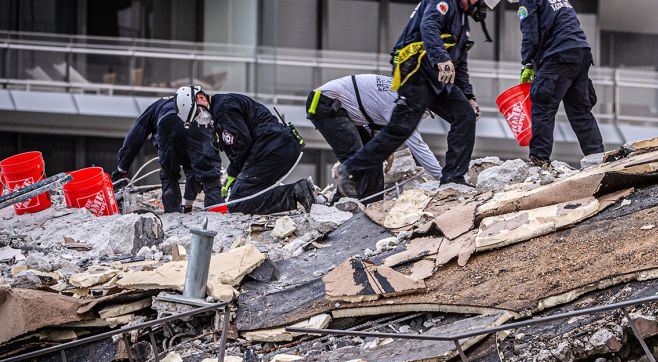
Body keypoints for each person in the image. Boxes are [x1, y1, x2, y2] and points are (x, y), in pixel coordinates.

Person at [334, 0, 501, 197]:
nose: (480, 10)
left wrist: (469, 96)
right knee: (399, 129)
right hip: (416, 74)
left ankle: (453, 177)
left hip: (438, 81)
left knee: (464, 115)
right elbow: (428, 26)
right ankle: (350, 169)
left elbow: (460, 64)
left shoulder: (462, 24)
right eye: (481, 3)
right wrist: (441, 59)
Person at [494, 0, 604, 168]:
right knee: (580, 110)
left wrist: (527, 64)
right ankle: (597, 157)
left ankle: (539, 159)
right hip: (580, 54)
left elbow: (530, 35)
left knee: (542, 104)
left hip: (558, 56)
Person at [174, 86, 314, 214]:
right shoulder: (218, 113)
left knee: (238, 202)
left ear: (201, 98)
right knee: (243, 193)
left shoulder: (223, 108)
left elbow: (241, 143)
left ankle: (297, 191)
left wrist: (232, 173)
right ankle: (298, 194)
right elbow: (236, 146)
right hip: (273, 148)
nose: (199, 119)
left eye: (198, 113)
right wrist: (236, 177)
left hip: (274, 148)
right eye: (195, 118)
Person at [307, 74, 443, 200]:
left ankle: (364, 205)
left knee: (371, 159)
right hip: (327, 104)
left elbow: (372, 124)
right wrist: (443, 177)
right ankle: (360, 208)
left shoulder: (404, 92)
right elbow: (418, 145)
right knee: (359, 160)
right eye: (425, 112)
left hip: (339, 107)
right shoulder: (402, 103)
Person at [113, 96, 222, 213]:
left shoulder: (158, 105)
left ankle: (173, 212)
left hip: (168, 124)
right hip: (196, 123)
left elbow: (135, 136)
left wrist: (122, 167)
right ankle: (216, 214)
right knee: (209, 176)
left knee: (169, 174)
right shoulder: (203, 105)